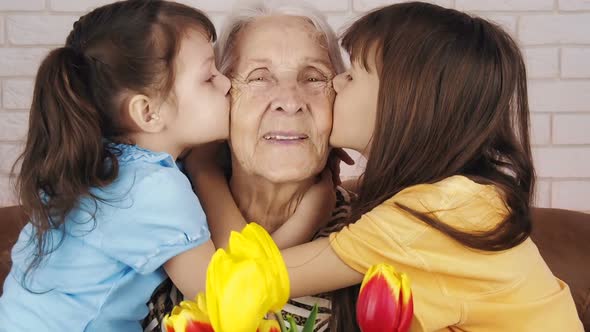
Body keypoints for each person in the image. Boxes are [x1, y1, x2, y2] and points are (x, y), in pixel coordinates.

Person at [202, 2, 584, 331]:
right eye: (259, 78)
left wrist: (204, 170)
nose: (336, 85)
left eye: (346, 76)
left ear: (402, 105)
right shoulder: (453, 200)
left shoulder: (433, 214)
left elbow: (242, 279)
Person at [0, 1, 231, 330]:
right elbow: (220, 294)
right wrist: (206, 168)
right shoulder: (153, 189)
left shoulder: (99, 162)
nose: (227, 85)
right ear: (148, 113)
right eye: (209, 77)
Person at [143, 1, 350, 331]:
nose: (290, 101)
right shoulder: (160, 210)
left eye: (313, 77)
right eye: (259, 78)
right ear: (221, 97)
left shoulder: (369, 239)